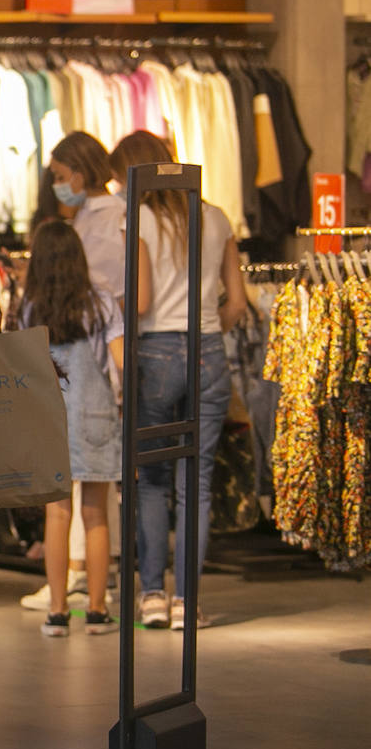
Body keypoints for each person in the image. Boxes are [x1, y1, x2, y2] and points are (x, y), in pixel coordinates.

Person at [109, 130, 246, 630]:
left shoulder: (138, 217)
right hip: (209, 350)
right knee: (198, 484)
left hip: (157, 352)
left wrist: (110, 306)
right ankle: (187, 602)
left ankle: (151, 596)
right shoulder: (216, 217)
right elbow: (237, 302)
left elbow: (140, 300)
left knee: (152, 483)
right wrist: (205, 334)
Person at [18, 219, 124, 636]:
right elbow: (119, 359)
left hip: (51, 416)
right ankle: (97, 611)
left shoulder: (32, 306)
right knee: (96, 515)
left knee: (57, 513)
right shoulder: (99, 301)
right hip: (96, 417)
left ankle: (57, 611)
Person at [49, 131, 127, 306]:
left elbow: (97, 280)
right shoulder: (88, 214)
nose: (56, 184)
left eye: (61, 177)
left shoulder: (109, 217)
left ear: (79, 176)